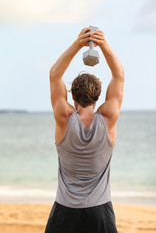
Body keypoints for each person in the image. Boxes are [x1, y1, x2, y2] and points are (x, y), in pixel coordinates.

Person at [44, 27, 124, 233]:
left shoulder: (63, 118)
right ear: (99, 98)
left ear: (72, 97)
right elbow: (119, 75)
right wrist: (103, 44)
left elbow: (54, 75)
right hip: (100, 211)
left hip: (65, 210)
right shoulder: (108, 118)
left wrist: (78, 43)